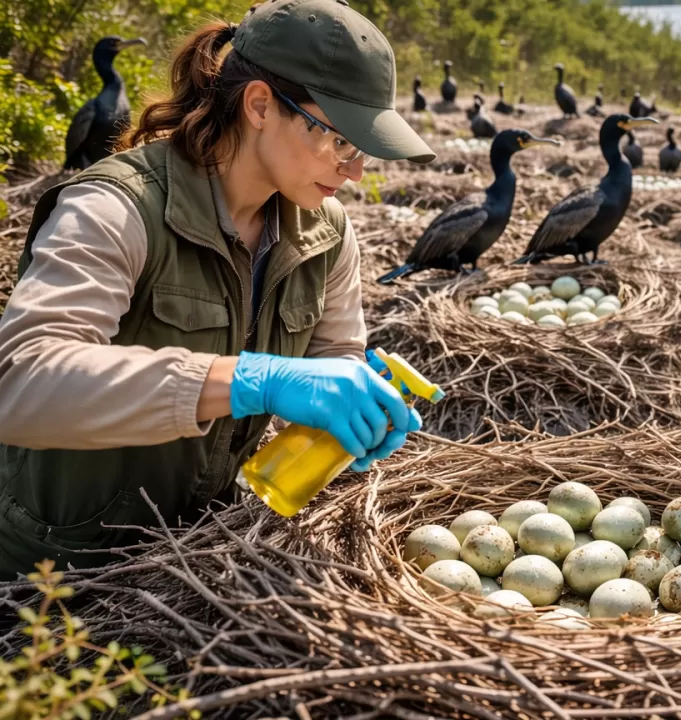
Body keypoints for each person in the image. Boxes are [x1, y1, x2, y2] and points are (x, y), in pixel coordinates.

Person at [0, 0, 437, 576]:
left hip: (195, 569)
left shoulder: (325, 235)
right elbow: (22, 383)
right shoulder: (115, 208)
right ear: (259, 104)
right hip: (55, 578)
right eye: (340, 141)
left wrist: (349, 414)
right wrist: (252, 381)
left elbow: (334, 359)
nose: (354, 171)